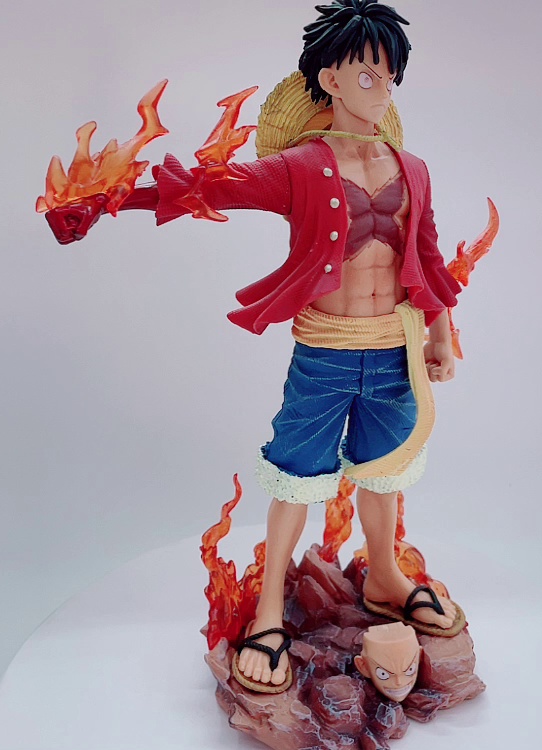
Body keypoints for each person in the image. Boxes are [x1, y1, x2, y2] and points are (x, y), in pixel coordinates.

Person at [44, 0, 468, 694]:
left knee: (384, 473)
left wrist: (442, 336)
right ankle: (269, 610)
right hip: (324, 353)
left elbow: (428, 257)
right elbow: (209, 187)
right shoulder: (301, 166)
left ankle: (386, 577)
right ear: (330, 80)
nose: (382, 88)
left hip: (395, 350)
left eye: (390, 75)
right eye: (368, 74)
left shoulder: (413, 167)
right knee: (296, 477)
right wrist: (109, 199)